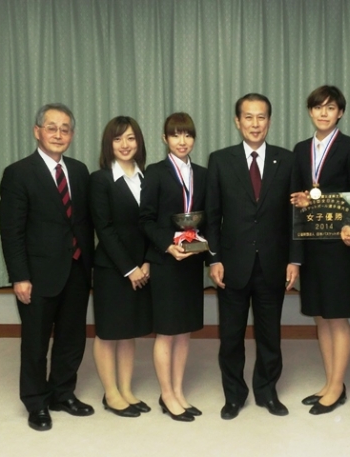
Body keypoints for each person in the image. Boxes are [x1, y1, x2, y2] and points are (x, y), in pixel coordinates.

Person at [0, 103, 95, 431]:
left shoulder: (80, 171)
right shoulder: (18, 173)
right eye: (51, 127)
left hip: (77, 270)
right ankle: (36, 402)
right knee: (36, 342)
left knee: (72, 339)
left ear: (72, 134)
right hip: (37, 276)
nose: (58, 134)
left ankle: (62, 393)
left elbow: (84, 222)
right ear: (37, 131)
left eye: (65, 128)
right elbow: (11, 231)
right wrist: (20, 276)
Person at [205, 93, 302, 420]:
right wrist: (213, 258)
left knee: (269, 336)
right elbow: (212, 216)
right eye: (248, 117)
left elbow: (295, 217)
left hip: (273, 264)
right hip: (231, 266)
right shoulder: (220, 160)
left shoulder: (287, 160)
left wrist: (294, 259)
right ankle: (234, 395)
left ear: (269, 121)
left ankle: (267, 391)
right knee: (230, 337)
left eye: (261, 117)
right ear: (237, 121)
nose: (255, 124)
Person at [291, 85, 350, 415]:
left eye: (330, 107)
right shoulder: (300, 149)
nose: (324, 112)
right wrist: (302, 199)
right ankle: (329, 381)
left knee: (337, 316)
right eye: (318, 107)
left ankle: (337, 385)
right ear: (310, 112)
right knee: (320, 315)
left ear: (340, 113)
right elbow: (297, 197)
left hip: (340, 244)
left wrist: (315, 200)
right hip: (311, 242)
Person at [139, 112, 207, 422]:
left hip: (191, 262)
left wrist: (199, 247)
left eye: (188, 135)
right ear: (165, 139)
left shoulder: (203, 174)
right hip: (166, 262)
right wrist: (168, 244)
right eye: (176, 135)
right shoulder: (155, 172)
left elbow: (208, 217)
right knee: (167, 332)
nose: (183, 141)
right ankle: (166, 394)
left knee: (185, 332)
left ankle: (178, 391)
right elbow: (146, 219)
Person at [89, 116, 153, 418]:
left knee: (129, 332)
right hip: (112, 270)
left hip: (143, 268)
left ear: (138, 142)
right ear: (108, 144)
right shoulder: (100, 179)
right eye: (118, 139)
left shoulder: (148, 178)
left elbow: (155, 224)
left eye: (130, 138)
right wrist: (130, 269)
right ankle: (111, 393)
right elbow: (105, 228)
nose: (125, 145)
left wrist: (148, 262)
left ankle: (126, 390)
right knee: (108, 332)